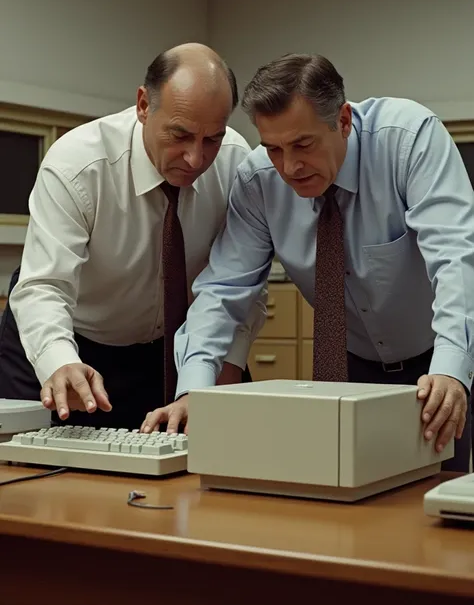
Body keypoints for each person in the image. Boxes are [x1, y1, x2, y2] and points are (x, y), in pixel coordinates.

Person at [144, 52, 474, 472]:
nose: (290, 166)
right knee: (343, 499)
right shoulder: (259, 181)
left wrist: (451, 370)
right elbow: (224, 290)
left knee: (436, 505)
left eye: (302, 145)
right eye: (274, 149)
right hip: (352, 366)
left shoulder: (409, 140)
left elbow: (457, 258)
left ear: (343, 121)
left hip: (441, 359)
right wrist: (194, 391)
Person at [0, 43, 267, 431]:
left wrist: (229, 364)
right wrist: (59, 361)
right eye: (180, 135)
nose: (196, 159)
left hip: (175, 346)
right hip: (73, 338)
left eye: (212, 138)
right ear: (143, 105)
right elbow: (44, 286)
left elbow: (243, 284)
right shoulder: (78, 165)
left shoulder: (234, 162)